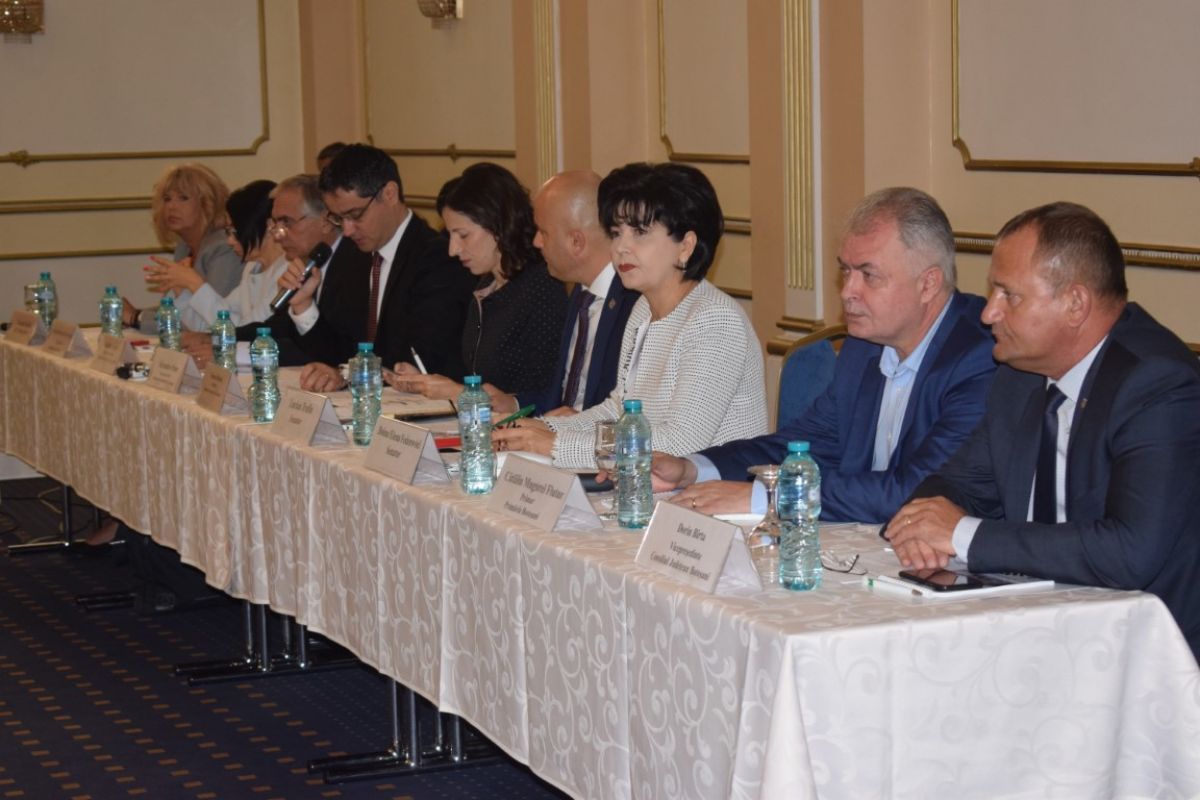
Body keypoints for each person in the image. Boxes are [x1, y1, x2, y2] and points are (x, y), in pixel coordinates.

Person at [886, 201, 1200, 660]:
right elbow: (958, 483)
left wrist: (962, 535)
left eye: (1009, 295)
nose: (988, 313)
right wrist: (924, 525)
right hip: (1038, 628)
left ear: (1075, 304)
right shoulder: (1020, 375)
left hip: (1146, 655)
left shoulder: (1157, 385)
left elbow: (1129, 552)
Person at [652, 187, 997, 523]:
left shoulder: (980, 359)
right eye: (845, 271)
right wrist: (692, 468)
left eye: (868, 275)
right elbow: (801, 446)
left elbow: (918, 491)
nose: (847, 292)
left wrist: (769, 497)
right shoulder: (863, 347)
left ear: (928, 284)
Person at [492, 162, 768, 468]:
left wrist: (556, 445)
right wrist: (543, 427)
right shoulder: (643, 310)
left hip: (712, 490)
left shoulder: (716, 320)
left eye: (639, 232)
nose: (621, 247)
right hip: (647, 482)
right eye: (616, 232)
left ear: (686, 246)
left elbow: (679, 442)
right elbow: (618, 410)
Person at [277, 145, 473, 392]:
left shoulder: (437, 258)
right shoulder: (353, 255)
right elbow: (339, 352)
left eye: (355, 215)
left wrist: (346, 375)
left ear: (389, 193)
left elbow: (417, 359)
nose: (347, 230)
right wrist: (304, 306)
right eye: (338, 218)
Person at [387, 162, 566, 398]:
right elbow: (480, 376)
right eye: (450, 236)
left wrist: (457, 391)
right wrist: (427, 379)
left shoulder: (542, 288)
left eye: (463, 235)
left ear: (499, 225)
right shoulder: (485, 286)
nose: (452, 250)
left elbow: (543, 396)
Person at [489, 169, 639, 416]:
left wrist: (578, 425)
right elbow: (563, 398)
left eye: (543, 232)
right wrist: (514, 404)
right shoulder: (580, 292)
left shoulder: (634, 303)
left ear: (576, 242)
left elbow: (631, 413)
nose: (536, 242)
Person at [149, 179, 287, 336]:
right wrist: (181, 291)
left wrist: (196, 284)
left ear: (269, 226)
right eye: (228, 232)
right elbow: (206, 326)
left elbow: (247, 331)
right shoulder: (252, 267)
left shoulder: (286, 271)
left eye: (235, 231)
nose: (230, 241)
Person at [122, 163, 243, 333]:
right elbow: (176, 310)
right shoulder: (184, 248)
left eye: (183, 198)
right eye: (167, 199)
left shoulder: (224, 248)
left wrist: (136, 317)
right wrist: (137, 314)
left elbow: (209, 322)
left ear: (208, 203)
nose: (171, 207)